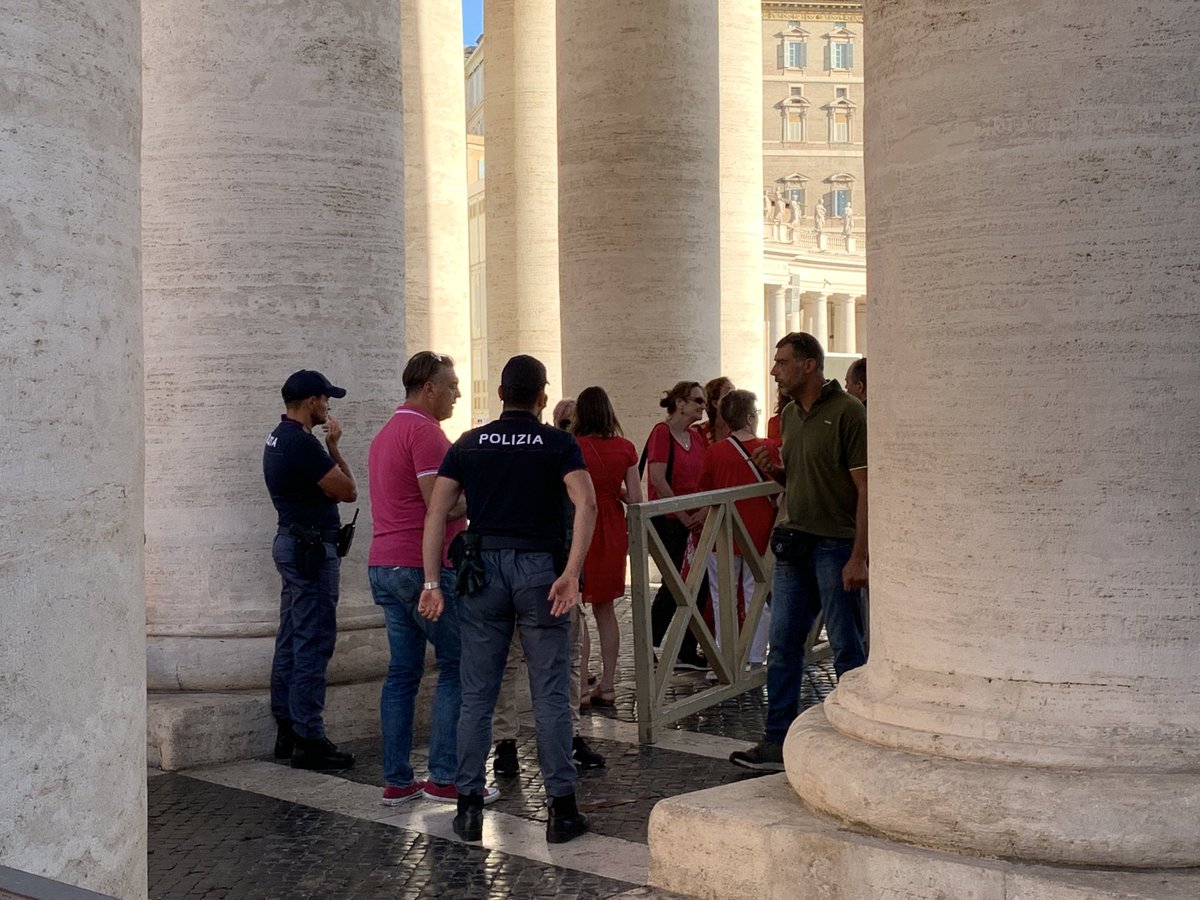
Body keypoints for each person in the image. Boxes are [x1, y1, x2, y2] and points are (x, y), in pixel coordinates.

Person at [419, 355, 598, 845]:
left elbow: (436, 512)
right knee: (550, 693)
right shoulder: (558, 442)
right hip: (541, 571)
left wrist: (432, 582)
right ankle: (561, 811)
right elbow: (587, 502)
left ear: (500, 395)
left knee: (477, 694)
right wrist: (572, 572)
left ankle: (470, 806)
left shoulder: (470, 442)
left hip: (483, 572)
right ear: (542, 396)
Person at [729, 333, 868, 772]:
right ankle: (776, 739)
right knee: (783, 645)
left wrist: (858, 556)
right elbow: (803, 481)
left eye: (783, 362)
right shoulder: (788, 416)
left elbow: (865, 490)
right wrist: (780, 475)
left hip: (834, 545)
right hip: (793, 542)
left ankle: (858, 736)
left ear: (808, 365)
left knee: (848, 645)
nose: (775, 371)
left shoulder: (849, 413)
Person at [367, 351, 498, 807]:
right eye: (452, 385)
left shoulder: (386, 432)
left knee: (402, 673)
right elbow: (439, 507)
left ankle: (398, 780)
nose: (457, 393)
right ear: (429, 388)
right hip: (420, 568)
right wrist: (480, 498)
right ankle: (444, 776)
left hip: (384, 563)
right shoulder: (424, 433)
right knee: (457, 666)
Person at [263, 369, 358, 770]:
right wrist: (335, 447)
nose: (328, 405)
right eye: (325, 399)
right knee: (313, 640)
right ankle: (309, 736)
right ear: (311, 402)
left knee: (291, 635)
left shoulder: (277, 437)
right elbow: (348, 491)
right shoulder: (302, 445)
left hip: (292, 541)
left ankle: (288, 726)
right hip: (311, 548)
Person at [695, 390, 776, 675]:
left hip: (724, 533)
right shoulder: (768, 448)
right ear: (751, 417)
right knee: (757, 595)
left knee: (722, 598)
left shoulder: (714, 453)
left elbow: (705, 492)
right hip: (759, 533)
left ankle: (725, 659)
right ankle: (755, 658)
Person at [572, 386, 642, 705]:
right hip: (613, 525)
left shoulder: (573, 446)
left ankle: (583, 686)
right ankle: (610, 684)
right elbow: (637, 498)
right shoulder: (626, 448)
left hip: (581, 526)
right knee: (606, 609)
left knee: (578, 608)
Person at [646, 381, 710, 670]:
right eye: (697, 400)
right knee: (674, 585)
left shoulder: (697, 437)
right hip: (670, 522)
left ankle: (687, 648)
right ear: (680, 403)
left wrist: (704, 512)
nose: (702, 406)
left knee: (700, 584)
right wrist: (685, 516)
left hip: (695, 522)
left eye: (704, 401)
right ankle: (649, 643)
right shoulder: (662, 433)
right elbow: (658, 479)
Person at [700, 377, 735, 445]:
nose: (736, 397)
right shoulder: (698, 432)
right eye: (730, 394)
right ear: (715, 403)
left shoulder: (742, 431)